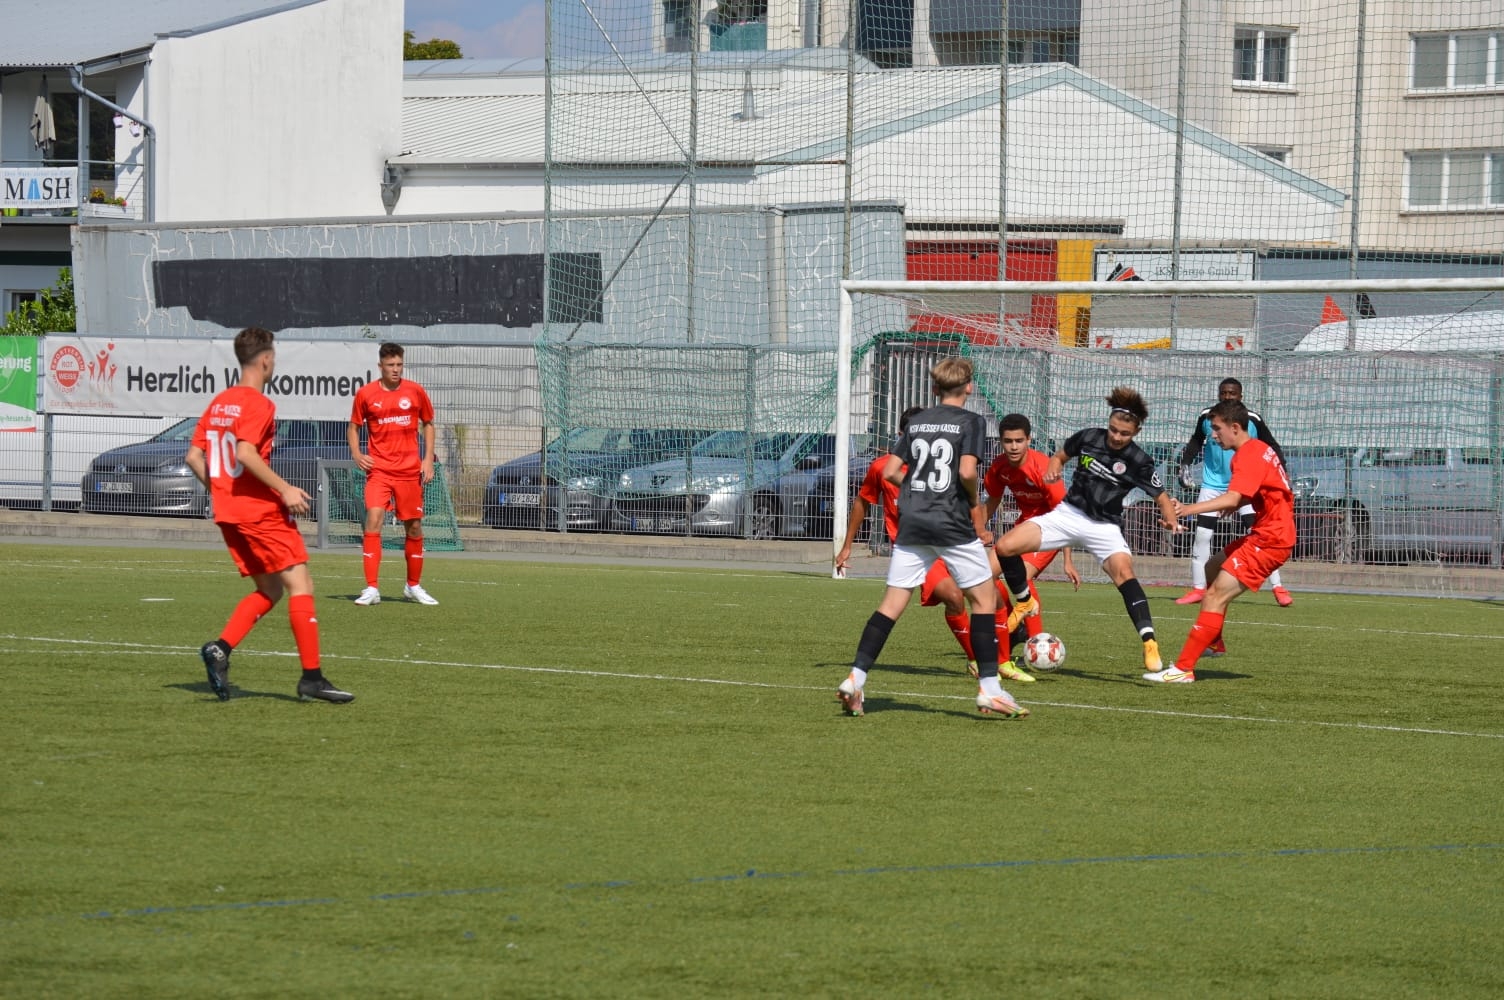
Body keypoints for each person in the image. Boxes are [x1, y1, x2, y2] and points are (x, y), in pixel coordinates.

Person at [836, 357, 1028, 719]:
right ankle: (990, 690)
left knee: (891, 605)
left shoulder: (918, 421)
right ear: (969, 386)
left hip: (912, 522)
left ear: (935, 388)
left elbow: (891, 471)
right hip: (950, 521)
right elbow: (967, 471)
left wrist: (918, 488)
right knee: (984, 600)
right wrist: (970, 499)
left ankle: (855, 678)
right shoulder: (971, 421)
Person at [187, 326, 354, 704]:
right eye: (273, 357)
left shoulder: (219, 403)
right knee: (301, 585)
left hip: (229, 514)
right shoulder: (258, 404)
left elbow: (194, 457)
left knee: (270, 589)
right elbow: (245, 453)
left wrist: (221, 492)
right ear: (265, 360)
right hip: (259, 512)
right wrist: (285, 489)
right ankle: (312, 678)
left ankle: (220, 649)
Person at [993, 387, 1180, 675]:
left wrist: (1171, 521)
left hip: (1105, 527)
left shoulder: (1140, 461)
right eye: (1113, 429)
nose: (1116, 436)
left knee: (1124, 573)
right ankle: (1024, 601)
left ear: (1136, 432)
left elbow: (1162, 497)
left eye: (1124, 433)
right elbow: (1059, 456)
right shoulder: (1089, 437)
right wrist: (1053, 468)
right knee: (1005, 547)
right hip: (1068, 515)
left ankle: (1149, 641)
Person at [1146, 399, 1295, 683]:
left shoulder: (1248, 455)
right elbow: (1267, 489)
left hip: (1271, 540)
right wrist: (1238, 502)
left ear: (1235, 427)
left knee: (1214, 596)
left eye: (1217, 429)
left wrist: (1186, 509)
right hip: (1269, 533)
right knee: (1212, 568)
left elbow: (1234, 496)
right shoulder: (1259, 449)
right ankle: (1214, 641)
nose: (1213, 435)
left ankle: (1183, 670)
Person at [1174, 377, 1293, 607]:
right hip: (1213, 485)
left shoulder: (1252, 423)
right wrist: (1185, 463)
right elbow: (1196, 441)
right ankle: (1199, 588)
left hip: (1246, 489)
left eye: (1232, 393)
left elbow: (1272, 446)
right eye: (1224, 393)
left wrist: (1187, 509)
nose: (1227, 396)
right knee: (1203, 537)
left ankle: (1277, 586)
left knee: (1259, 535)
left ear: (1240, 396)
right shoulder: (1208, 417)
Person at [982, 412, 1081, 653]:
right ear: (1001, 441)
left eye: (1019, 440)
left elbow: (1064, 513)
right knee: (982, 577)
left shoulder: (1043, 468)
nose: (1014, 446)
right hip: (1024, 527)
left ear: (1028, 440)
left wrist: (1068, 559)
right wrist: (978, 529)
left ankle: (1037, 644)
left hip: (1051, 530)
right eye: (1008, 441)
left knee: (1021, 576)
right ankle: (1015, 629)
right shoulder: (999, 467)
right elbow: (992, 500)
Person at [348, 342, 438, 606]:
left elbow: (428, 423)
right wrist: (356, 453)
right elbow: (353, 427)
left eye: (399, 364)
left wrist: (427, 459)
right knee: (373, 519)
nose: (396, 369)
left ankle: (413, 586)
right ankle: (371, 589)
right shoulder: (366, 394)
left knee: (414, 527)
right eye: (390, 365)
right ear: (380, 366)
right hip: (379, 471)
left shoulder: (415, 391)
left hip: (409, 472)